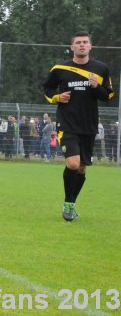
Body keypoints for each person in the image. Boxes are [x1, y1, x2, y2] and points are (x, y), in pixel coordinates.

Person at [42, 31, 114, 221]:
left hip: (89, 125)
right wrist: (58, 97)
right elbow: (47, 89)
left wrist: (95, 87)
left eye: (85, 42)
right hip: (67, 123)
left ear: (90, 46)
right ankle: (67, 203)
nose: (82, 45)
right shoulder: (59, 68)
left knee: (82, 168)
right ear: (72, 47)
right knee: (72, 163)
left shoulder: (101, 69)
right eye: (78, 42)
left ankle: (72, 203)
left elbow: (108, 95)